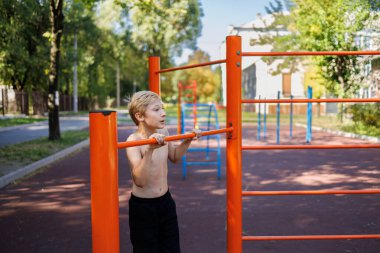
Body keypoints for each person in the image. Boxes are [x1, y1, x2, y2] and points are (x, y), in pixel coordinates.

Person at [126, 90, 201, 253]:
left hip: (165, 202)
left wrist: (187, 141)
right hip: (143, 208)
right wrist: (150, 150)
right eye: (156, 109)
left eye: (162, 108)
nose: (163, 113)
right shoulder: (133, 141)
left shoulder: (164, 133)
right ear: (140, 116)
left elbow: (174, 156)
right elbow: (140, 180)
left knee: (172, 248)